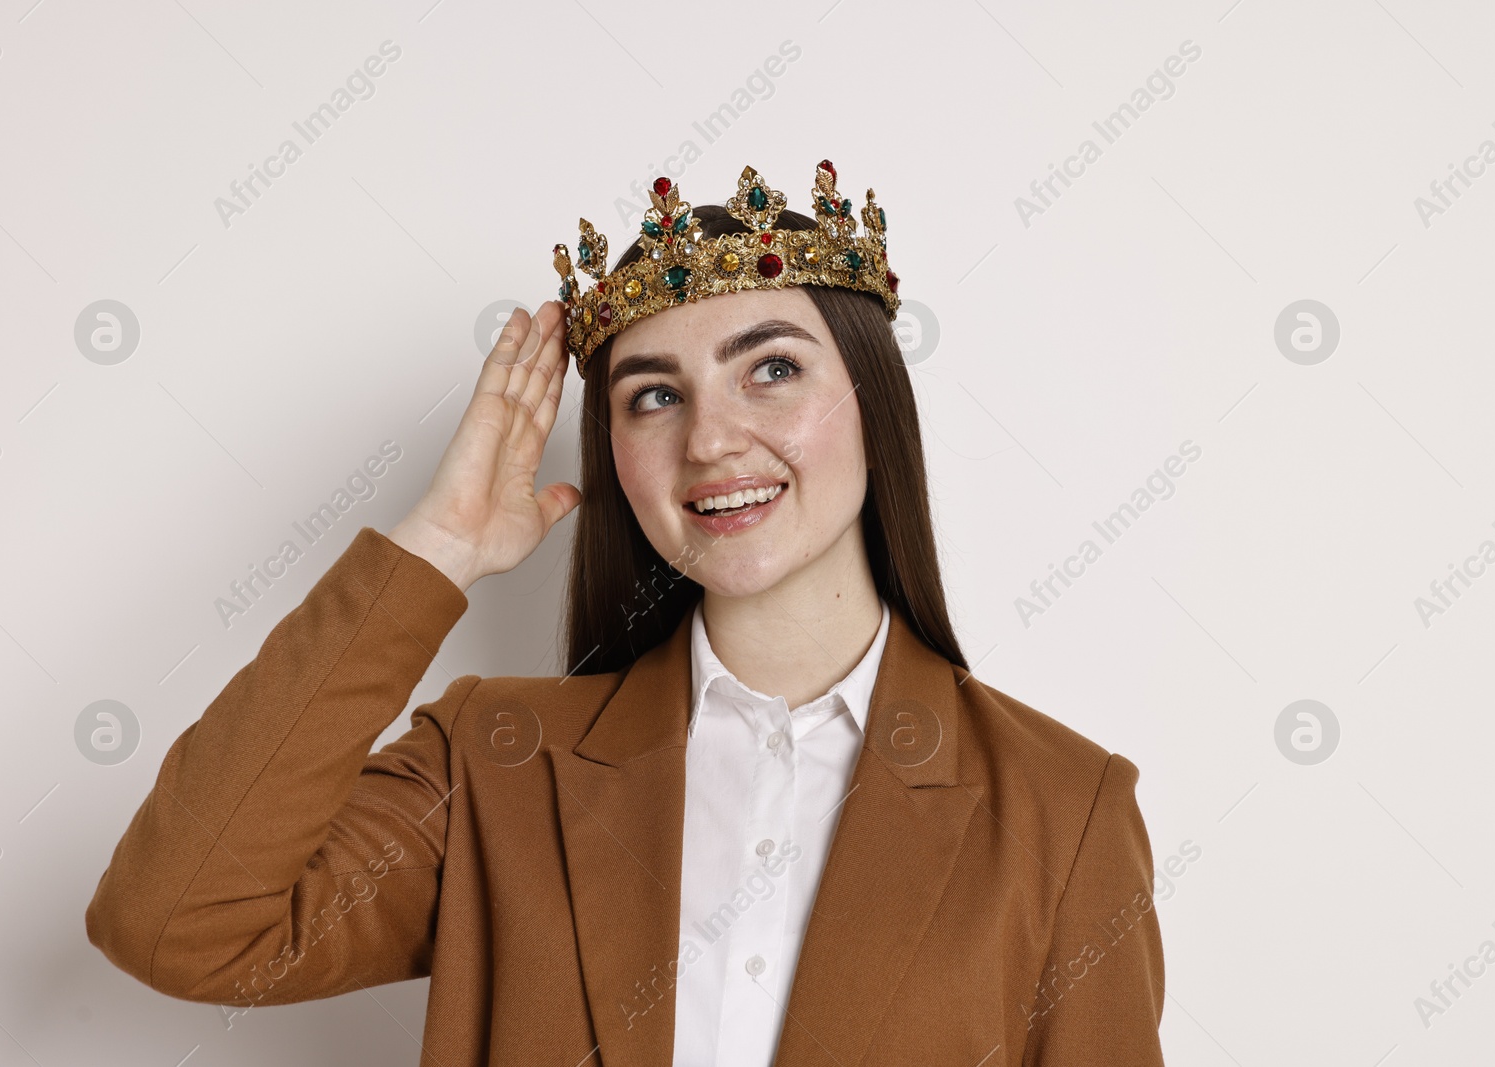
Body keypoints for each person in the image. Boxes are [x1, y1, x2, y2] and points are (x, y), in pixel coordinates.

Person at [85, 160, 1166, 1066]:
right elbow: (177, 921)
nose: (709, 440)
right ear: (614, 455)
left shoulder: (1062, 811)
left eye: (772, 370)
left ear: (874, 407)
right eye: (654, 394)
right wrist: (437, 553)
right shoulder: (494, 765)